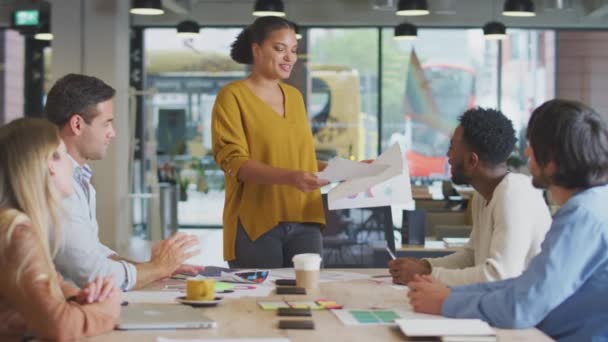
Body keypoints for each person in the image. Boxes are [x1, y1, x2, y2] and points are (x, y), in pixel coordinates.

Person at [407, 99, 608, 341]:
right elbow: (522, 286)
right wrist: (449, 295)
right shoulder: (591, 205)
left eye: (532, 145)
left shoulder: (582, 216)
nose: (525, 152)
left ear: (552, 159)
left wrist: (447, 302)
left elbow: (521, 307)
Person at [45, 73, 203, 291]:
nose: (113, 133)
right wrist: (156, 269)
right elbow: (91, 274)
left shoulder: (79, 177)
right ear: (77, 124)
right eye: (107, 123)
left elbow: (91, 251)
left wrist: (151, 268)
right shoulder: (56, 183)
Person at [212, 16, 329, 268]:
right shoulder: (232, 96)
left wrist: (346, 170)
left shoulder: (295, 97)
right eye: (280, 49)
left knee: (307, 299)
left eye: (294, 50)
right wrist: (291, 178)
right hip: (256, 222)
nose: (289, 57)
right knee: (256, 302)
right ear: (257, 50)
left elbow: (298, 159)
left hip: (305, 218)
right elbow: (235, 163)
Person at [389, 107, 551, 286]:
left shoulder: (513, 193)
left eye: (452, 147)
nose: (448, 156)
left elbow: (498, 276)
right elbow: (471, 256)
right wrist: (424, 265)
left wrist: (427, 273)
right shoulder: (484, 194)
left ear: (472, 160)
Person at [0, 118, 120, 340]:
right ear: (50, 165)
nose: (71, 165)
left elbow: (53, 284)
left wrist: (82, 298)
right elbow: (60, 327)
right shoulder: (16, 232)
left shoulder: (17, 224)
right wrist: (107, 311)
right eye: (64, 155)